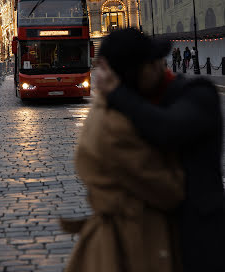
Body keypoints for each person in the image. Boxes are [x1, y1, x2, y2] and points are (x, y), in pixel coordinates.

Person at [95, 30, 225, 272]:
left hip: (200, 239)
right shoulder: (131, 105)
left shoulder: (199, 93)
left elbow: (167, 130)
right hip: (150, 239)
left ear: (152, 68)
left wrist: (118, 94)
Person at [61, 28, 185, 272]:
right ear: (134, 72)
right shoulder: (116, 126)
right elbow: (170, 191)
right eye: (152, 63)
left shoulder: (109, 109)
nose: (161, 68)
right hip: (129, 245)